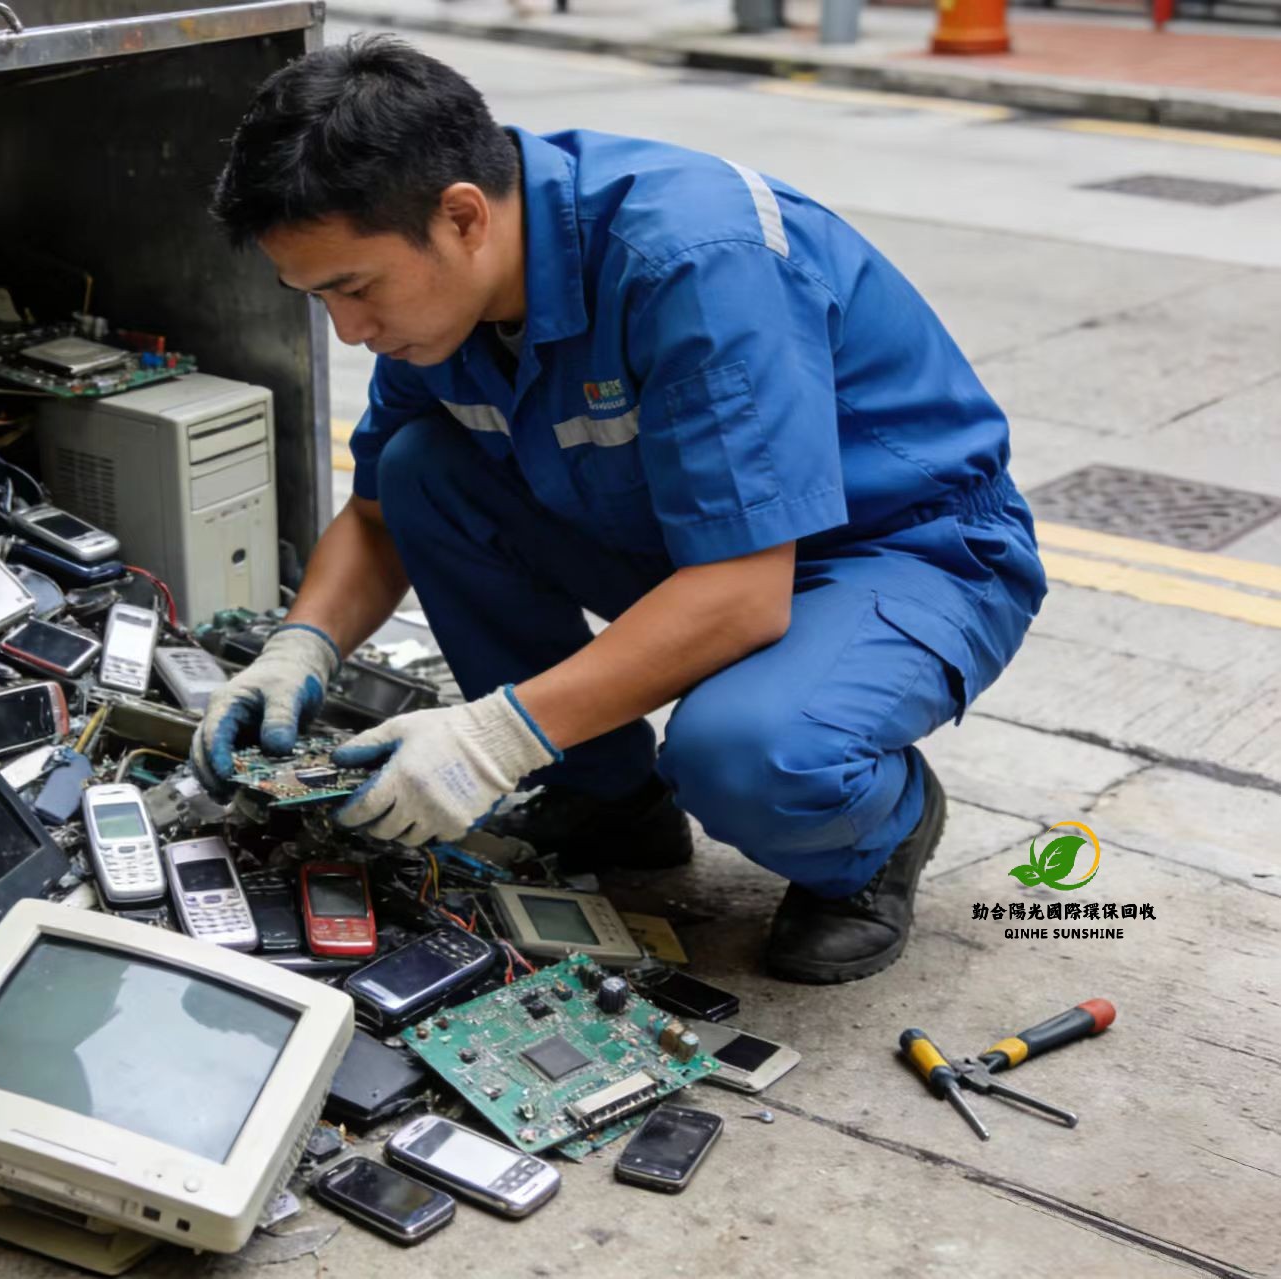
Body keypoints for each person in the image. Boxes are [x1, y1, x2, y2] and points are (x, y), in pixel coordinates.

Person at [195, 35, 1046, 983]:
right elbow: (382, 514)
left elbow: (742, 595)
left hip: (902, 550)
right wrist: (297, 648)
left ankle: (879, 832)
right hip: (700, 541)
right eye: (317, 300)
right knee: (423, 464)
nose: (350, 332)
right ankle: (607, 799)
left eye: (354, 289)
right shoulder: (444, 294)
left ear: (463, 216)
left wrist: (492, 738)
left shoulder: (695, 260)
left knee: (745, 750)